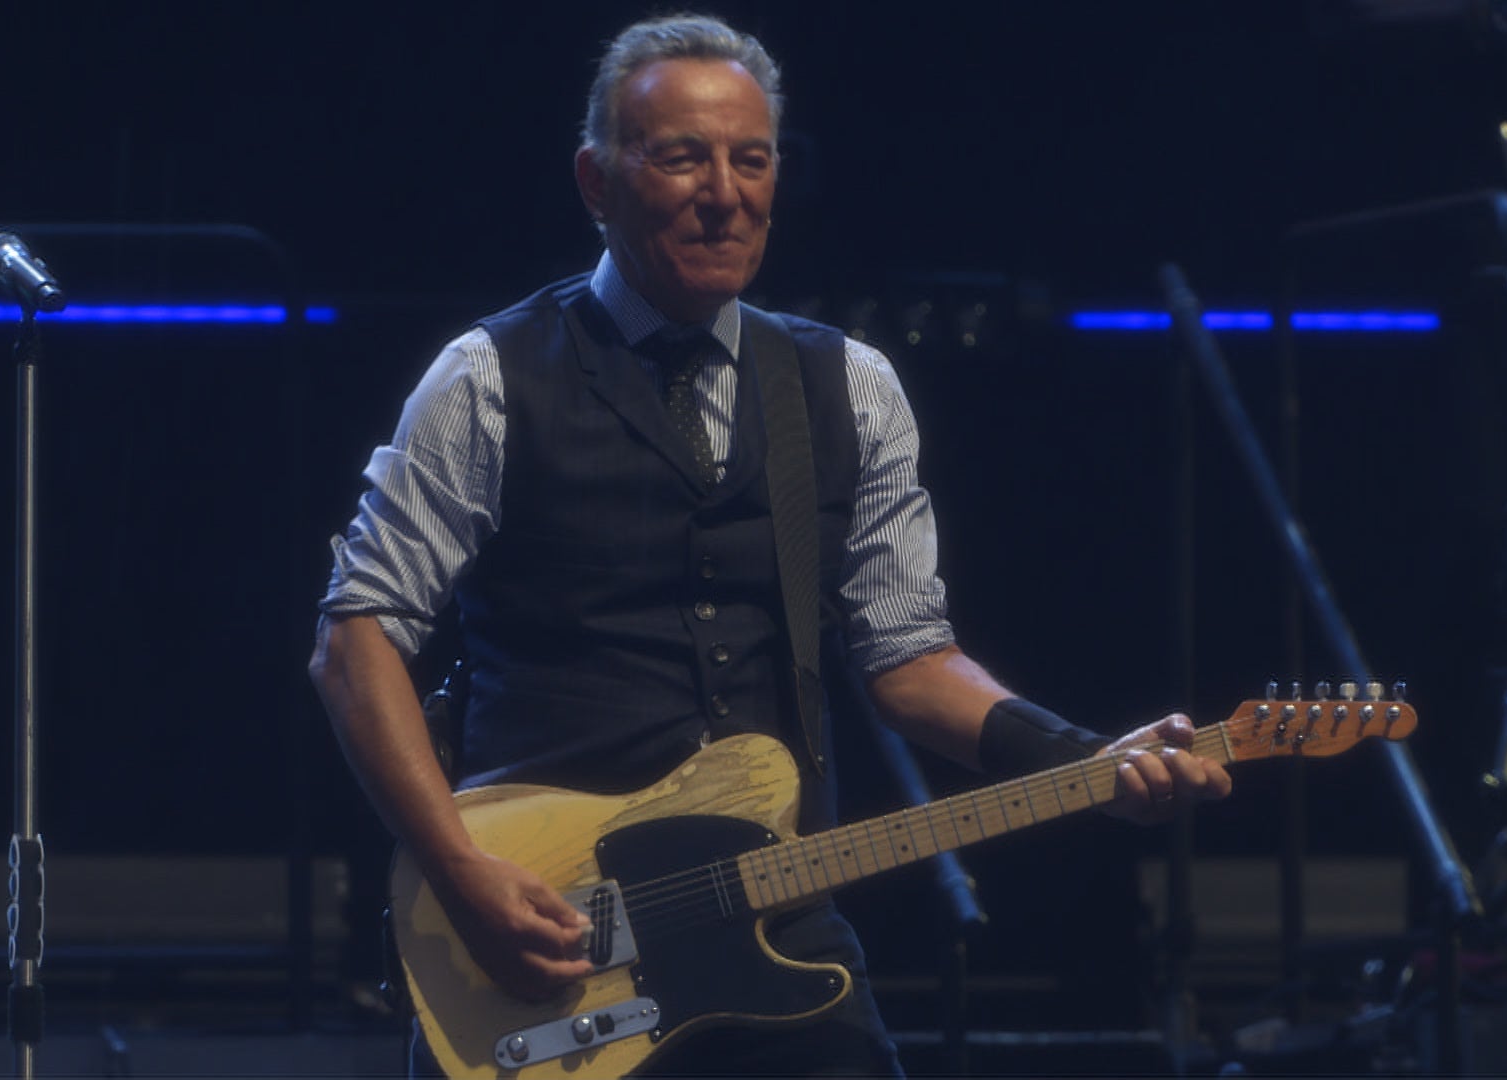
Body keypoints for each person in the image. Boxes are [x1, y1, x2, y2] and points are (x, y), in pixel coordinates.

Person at [309, 13, 1231, 1077]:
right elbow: (355, 642)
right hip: (550, 930)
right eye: (681, 158)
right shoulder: (488, 377)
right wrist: (460, 871)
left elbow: (910, 660)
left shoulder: (847, 387)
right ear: (596, 182)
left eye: (752, 160)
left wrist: (1082, 760)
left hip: (776, 924)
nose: (725, 193)